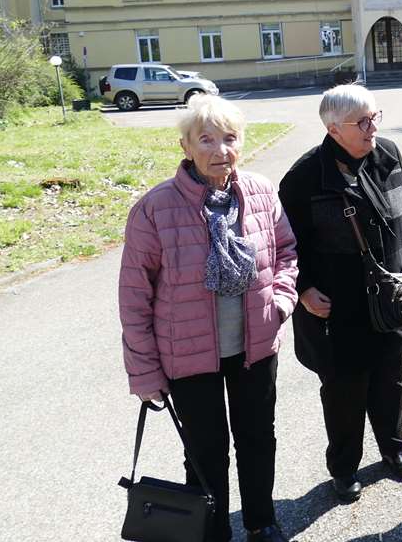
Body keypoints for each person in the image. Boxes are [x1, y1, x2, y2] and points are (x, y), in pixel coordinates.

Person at [119, 95, 297, 542]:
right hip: (188, 355)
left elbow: (287, 253)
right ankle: (212, 530)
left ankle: (262, 520)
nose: (221, 150)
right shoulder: (155, 208)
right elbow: (134, 297)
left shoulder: (260, 192)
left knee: (258, 439)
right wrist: (144, 371)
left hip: (255, 345)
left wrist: (280, 302)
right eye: (207, 140)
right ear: (186, 146)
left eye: (230, 138)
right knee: (205, 451)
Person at [278, 84, 402, 504]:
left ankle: (393, 448)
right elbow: (284, 244)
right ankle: (343, 469)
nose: (371, 128)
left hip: (391, 299)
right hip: (337, 307)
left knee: (390, 380)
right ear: (333, 129)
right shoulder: (305, 176)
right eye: (361, 122)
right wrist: (303, 288)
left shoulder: (389, 154)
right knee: (344, 389)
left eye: (375, 117)